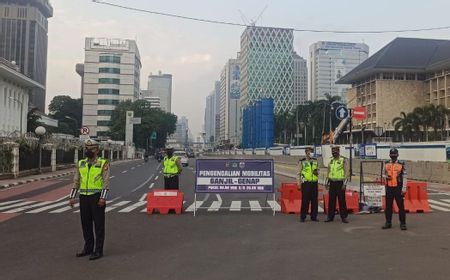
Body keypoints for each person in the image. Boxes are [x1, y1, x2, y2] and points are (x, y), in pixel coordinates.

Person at [68, 139, 110, 260]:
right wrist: (72, 197)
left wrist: (103, 198)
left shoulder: (103, 163)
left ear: (97, 150)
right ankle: (88, 248)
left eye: (91, 148)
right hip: (84, 197)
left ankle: (98, 250)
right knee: (85, 224)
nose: (88, 151)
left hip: (96, 197)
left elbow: (106, 183)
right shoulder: (81, 163)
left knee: (98, 225)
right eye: (86, 148)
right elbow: (76, 181)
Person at [382, 148, 407, 230]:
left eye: (395, 155)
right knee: (388, 206)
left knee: (401, 206)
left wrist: (404, 189)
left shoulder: (402, 164)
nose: (393, 157)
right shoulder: (385, 163)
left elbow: (405, 177)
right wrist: (386, 177)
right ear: (389, 155)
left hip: (398, 187)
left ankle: (403, 223)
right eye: (392, 155)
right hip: (389, 187)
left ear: (397, 155)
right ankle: (388, 222)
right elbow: (383, 174)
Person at [325, 145, 349, 223]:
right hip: (332, 182)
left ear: (338, 151)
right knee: (331, 200)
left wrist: (345, 184)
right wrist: (327, 182)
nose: (334, 153)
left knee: (341, 200)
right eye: (333, 152)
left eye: (335, 152)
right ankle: (330, 217)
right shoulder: (331, 160)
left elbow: (346, 173)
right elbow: (328, 172)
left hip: (340, 183)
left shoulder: (343, 160)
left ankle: (344, 217)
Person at [298, 147, 320, 222]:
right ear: (306, 152)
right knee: (305, 200)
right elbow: (298, 173)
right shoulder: (302, 161)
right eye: (310, 151)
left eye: (312, 151)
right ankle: (303, 216)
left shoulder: (315, 160)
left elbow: (318, 170)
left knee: (314, 200)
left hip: (314, 183)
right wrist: (299, 183)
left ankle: (314, 216)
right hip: (306, 183)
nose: (311, 153)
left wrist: (317, 172)